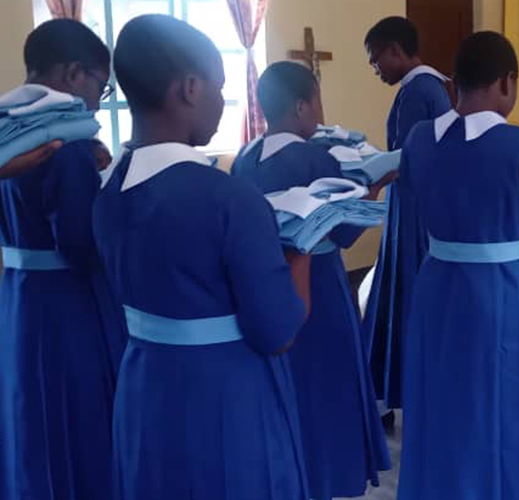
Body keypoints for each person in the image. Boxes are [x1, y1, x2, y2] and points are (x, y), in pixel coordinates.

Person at [94, 15, 309, 499]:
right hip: (224, 394)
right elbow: (277, 332)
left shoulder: (107, 191)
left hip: (144, 386)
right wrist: (303, 249)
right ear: (190, 88)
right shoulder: (230, 199)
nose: (221, 100)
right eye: (220, 87)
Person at [396, 31, 519, 500]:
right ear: (506, 82)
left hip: (437, 284)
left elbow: (413, 196)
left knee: (442, 396)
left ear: (455, 82)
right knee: (506, 404)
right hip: (501, 292)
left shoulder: (420, 139)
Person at [231, 61, 391, 499]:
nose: (322, 112)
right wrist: (374, 186)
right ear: (301, 106)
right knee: (326, 391)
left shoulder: (245, 158)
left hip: (263, 285)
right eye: (318, 101)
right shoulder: (317, 158)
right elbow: (345, 232)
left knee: (285, 391)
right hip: (317, 285)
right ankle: (324, 480)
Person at [0, 20, 127, 500]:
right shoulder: (65, 142)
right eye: (101, 86)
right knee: (77, 418)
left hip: (18, 296)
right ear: (74, 74)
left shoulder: (9, 127)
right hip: (67, 304)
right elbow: (79, 244)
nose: (97, 102)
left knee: (29, 412)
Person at [362, 15, 452, 428]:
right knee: (399, 297)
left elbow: (409, 157)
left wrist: (370, 173)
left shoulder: (418, 90)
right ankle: (400, 394)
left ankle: (406, 394)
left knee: (405, 298)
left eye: (376, 60)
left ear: (395, 50)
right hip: (418, 205)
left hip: (414, 209)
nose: (375, 69)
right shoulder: (428, 87)